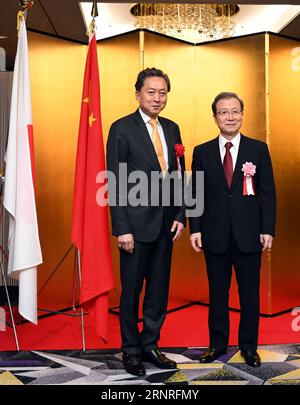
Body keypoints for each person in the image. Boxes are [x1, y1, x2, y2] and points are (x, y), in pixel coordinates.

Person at [106, 68, 185, 376]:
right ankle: (131, 350)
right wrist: (121, 227)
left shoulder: (172, 127)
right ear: (137, 94)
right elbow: (115, 181)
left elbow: (178, 173)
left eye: (162, 92)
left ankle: (151, 344)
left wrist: (181, 214)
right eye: (151, 92)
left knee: (158, 290)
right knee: (131, 291)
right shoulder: (121, 128)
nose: (157, 97)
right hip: (134, 228)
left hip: (167, 225)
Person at [189, 92, 276, 367]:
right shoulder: (201, 151)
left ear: (242, 114)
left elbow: (268, 193)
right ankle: (217, 345)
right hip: (214, 235)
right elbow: (196, 192)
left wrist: (267, 229)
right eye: (223, 112)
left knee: (250, 294)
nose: (230, 117)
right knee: (217, 294)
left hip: (249, 234)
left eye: (235, 111)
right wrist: (195, 228)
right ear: (214, 117)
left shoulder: (258, 149)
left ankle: (249, 347)